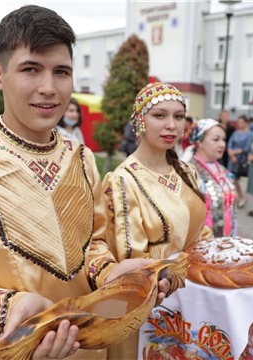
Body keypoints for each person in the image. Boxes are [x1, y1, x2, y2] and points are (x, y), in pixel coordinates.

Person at [0, 7, 169, 360]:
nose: (48, 88)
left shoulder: (82, 158)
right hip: (15, 349)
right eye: (31, 69)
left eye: (61, 72)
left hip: (89, 344)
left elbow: (91, 243)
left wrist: (112, 274)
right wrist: (7, 310)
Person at [102, 82, 212, 359]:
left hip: (190, 298)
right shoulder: (123, 180)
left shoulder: (187, 171)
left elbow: (201, 233)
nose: (171, 125)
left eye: (178, 116)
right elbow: (133, 264)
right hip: (150, 306)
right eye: (159, 115)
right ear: (140, 120)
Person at [187, 118, 237, 237]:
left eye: (224, 139)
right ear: (200, 142)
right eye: (216, 139)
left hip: (227, 239)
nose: (222, 144)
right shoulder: (189, 172)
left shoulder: (221, 169)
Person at [227, 115, 253, 208]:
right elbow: (229, 143)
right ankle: (233, 197)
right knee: (230, 179)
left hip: (240, 159)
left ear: (246, 123)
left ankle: (241, 197)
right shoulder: (235, 132)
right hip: (232, 158)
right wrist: (231, 153)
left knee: (235, 179)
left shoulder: (249, 133)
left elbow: (246, 148)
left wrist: (234, 153)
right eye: (238, 122)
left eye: (241, 122)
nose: (239, 124)